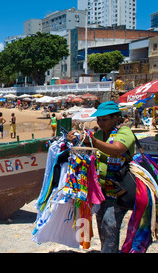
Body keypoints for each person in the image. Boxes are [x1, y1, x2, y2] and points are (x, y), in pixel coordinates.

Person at [67, 101, 135, 253]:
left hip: (119, 189)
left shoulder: (124, 133)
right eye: (99, 120)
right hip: (100, 190)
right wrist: (74, 138)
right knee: (102, 225)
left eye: (104, 119)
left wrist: (94, 142)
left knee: (110, 223)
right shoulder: (98, 134)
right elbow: (86, 151)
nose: (100, 123)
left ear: (116, 118)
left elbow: (117, 150)